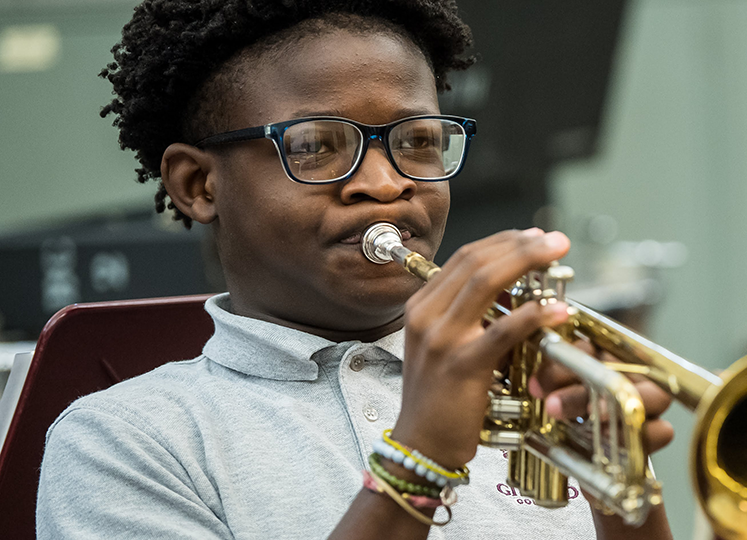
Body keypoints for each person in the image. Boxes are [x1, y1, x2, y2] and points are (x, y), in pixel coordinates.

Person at [34, 1, 676, 539]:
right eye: (315, 146)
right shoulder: (123, 443)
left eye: (419, 142)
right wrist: (418, 458)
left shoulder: (528, 397)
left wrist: (625, 490)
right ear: (199, 184)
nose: (386, 183)